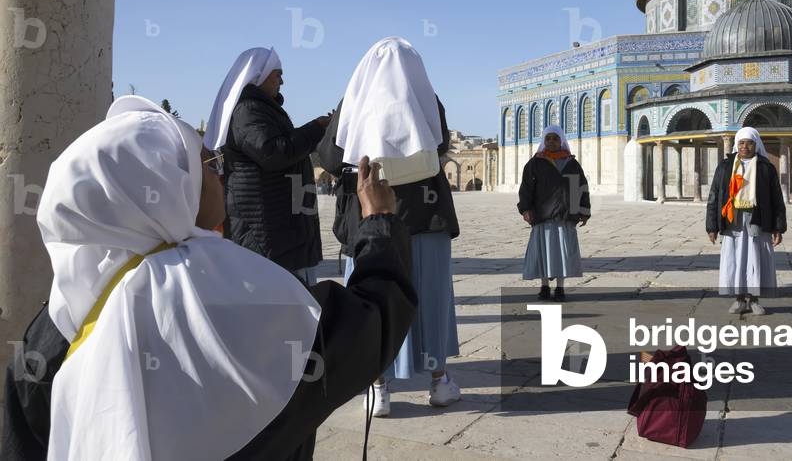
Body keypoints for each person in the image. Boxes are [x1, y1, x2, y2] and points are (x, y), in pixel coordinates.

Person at [1, 96, 416, 460]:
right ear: (167, 187)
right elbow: (367, 327)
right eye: (208, 163)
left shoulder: (56, 323)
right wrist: (378, 224)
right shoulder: (233, 297)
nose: (221, 174)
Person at [318, 37, 460, 417]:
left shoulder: (353, 101)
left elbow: (331, 158)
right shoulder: (427, 97)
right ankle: (439, 383)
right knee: (430, 298)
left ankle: (378, 389)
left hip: (370, 219)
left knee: (370, 299)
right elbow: (441, 142)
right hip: (425, 220)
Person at [204, 47, 333, 283]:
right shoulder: (247, 111)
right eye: (277, 74)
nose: (281, 81)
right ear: (259, 76)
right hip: (265, 230)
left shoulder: (262, 109)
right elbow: (273, 152)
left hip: (277, 226)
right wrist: (316, 128)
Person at [705, 127, 786, 316]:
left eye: (749, 143)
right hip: (733, 220)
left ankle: (755, 300)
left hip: (758, 219)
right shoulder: (725, 167)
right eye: (741, 143)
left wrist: (778, 227)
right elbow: (714, 196)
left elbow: (777, 199)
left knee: (755, 259)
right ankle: (740, 299)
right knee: (736, 260)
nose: (745, 147)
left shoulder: (766, 167)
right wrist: (712, 226)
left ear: (756, 144)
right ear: (736, 144)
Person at [517, 125, 590, 302]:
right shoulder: (535, 163)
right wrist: (525, 209)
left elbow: (581, 187)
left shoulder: (571, 163)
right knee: (544, 254)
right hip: (543, 215)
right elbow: (526, 188)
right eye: (548, 138)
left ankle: (560, 288)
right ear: (543, 141)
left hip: (565, 216)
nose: (551, 142)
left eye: (555, 139)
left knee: (562, 255)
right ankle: (544, 286)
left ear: (561, 141)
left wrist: (583, 210)